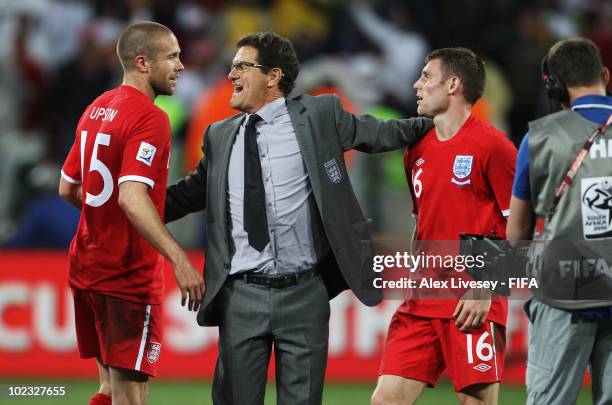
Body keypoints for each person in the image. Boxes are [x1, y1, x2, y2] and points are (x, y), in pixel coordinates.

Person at [164, 31, 432, 405]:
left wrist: (442, 122)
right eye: (232, 66)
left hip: (304, 293)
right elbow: (188, 194)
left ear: (273, 76)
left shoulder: (320, 115)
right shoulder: (220, 135)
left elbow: (384, 133)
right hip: (240, 294)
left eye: (242, 66)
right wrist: (124, 203)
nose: (231, 74)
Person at [58, 22, 204, 405]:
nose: (181, 66)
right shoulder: (150, 118)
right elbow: (131, 197)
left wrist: (104, 221)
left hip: (86, 267)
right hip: (126, 277)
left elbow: (68, 187)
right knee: (131, 395)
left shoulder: (97, 107)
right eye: (171, 56)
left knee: (109, 389)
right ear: (142, 63)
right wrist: (179, 258)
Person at [372, 48, 517, 405]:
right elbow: (423, 219)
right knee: (384, 401)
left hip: (471, 298)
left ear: (453, 84)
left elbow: (522, 227)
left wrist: (486, 288)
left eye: (426, 76)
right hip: (422, 299)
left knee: (476, 402)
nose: (415, 84)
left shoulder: (494, 146)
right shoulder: (416, 148)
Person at [506, 37, 612, 405]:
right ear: (605, 75)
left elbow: (516, 232)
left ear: (553, 85)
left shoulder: (539, 138)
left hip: (564, 295)